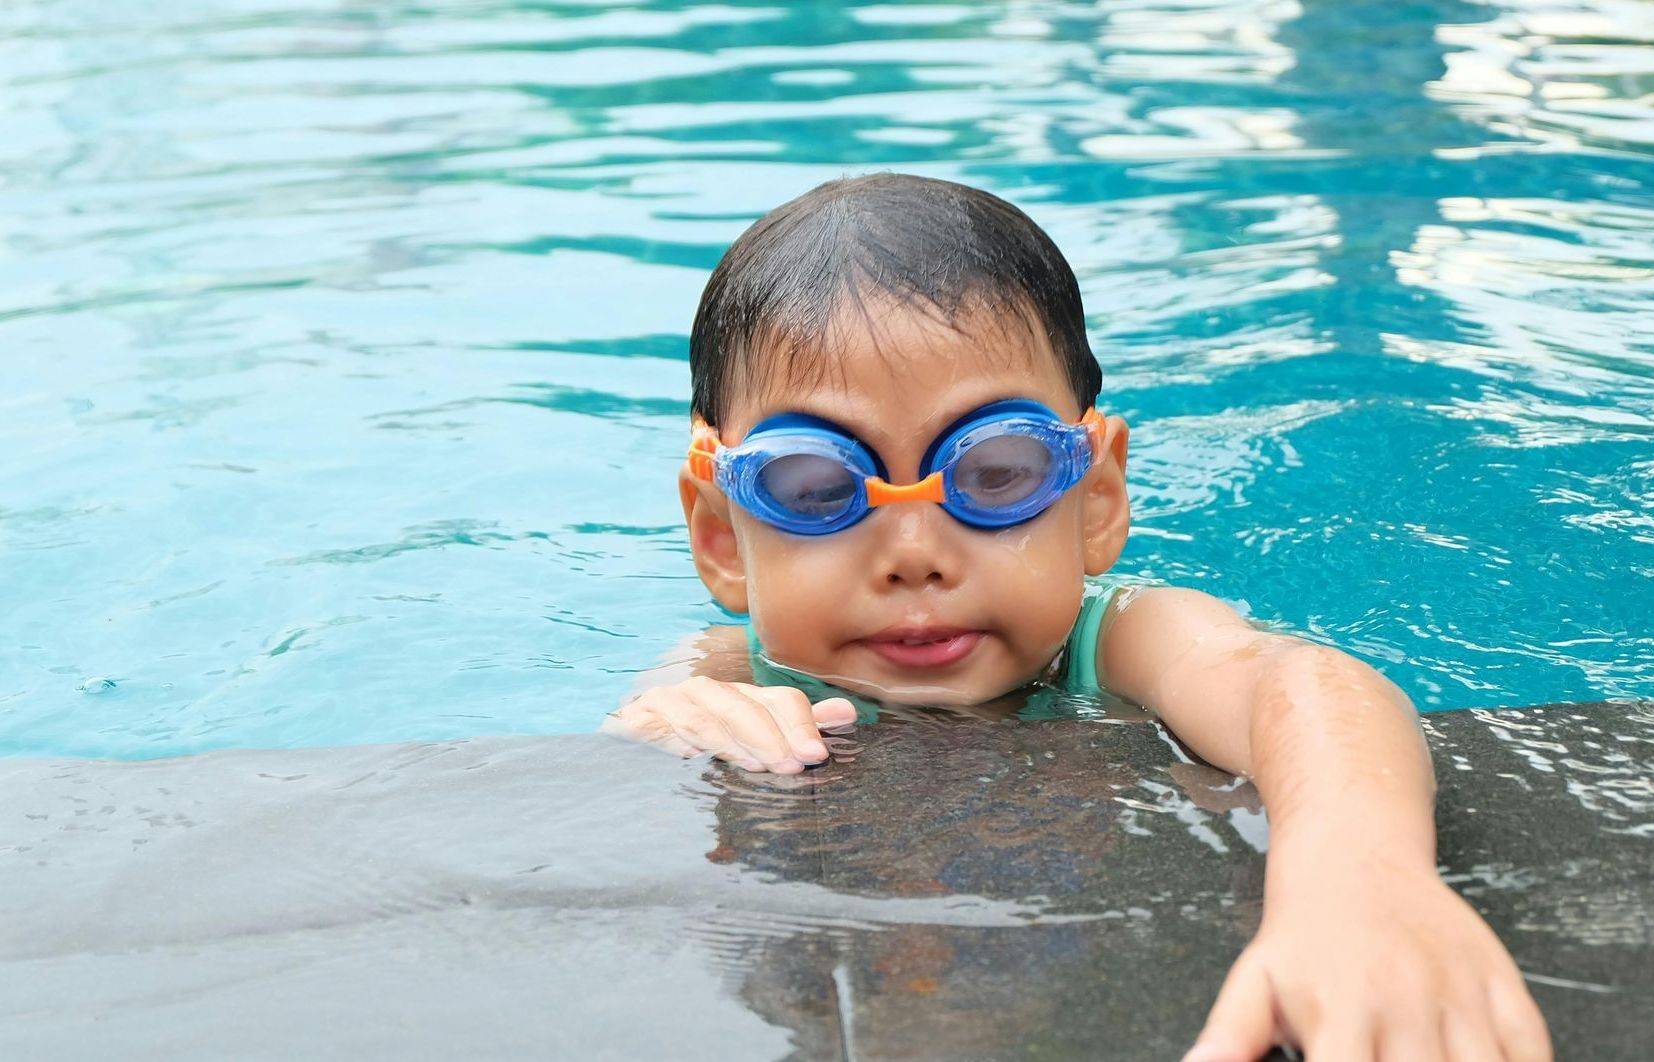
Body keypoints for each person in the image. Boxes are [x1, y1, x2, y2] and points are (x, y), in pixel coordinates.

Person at [604, 172, 1552, 1062]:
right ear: (724, 536)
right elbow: (638, 747)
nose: (914, 553)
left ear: (1093, 500)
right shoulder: (731, 667)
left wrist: (1360, 880)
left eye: (996, 472)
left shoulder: (1121, 640)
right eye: (814, 487)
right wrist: (663, 728)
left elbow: (1301, 684)